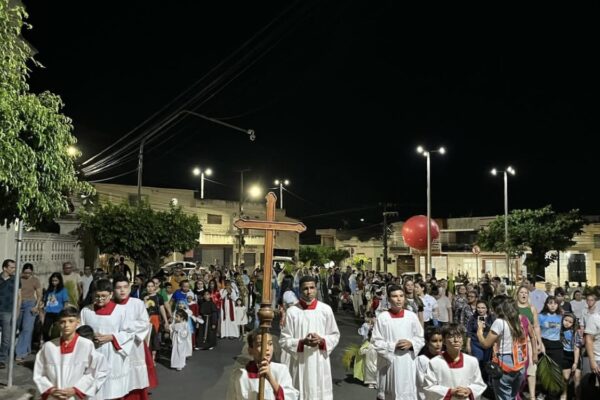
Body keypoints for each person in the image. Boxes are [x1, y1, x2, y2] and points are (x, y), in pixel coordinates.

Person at [280, 275, 340, 400]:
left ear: (316, 289)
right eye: (305, 289)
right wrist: (302, 342)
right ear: (300, 290)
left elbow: (334, 335)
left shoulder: (325, 310)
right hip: (300, 362)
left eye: (312, 288)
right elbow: (284, 340)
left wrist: (322, 340)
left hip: (319, 361)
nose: (309, 292)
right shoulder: (292, 312)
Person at [33, 306, 107, 399]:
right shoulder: (49, 346)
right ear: (58, 324)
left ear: (78, 322)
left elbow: (95, 371)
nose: (66, 325)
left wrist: (76, 389)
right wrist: (51, 389)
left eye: (71, 321)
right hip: (54, 396)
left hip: (74, 396)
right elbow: (39, 373)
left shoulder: (86, 345)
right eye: (62, 322)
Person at [80, 279, 134, 400]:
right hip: (93, 354)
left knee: (112, 392)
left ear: (111, 294)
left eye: (104, 296)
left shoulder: (121, 311)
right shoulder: (86, 311)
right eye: (97, 296)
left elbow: (129, 332)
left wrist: (112, 337)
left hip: (114, 355)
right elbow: (80, 332)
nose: (100, 299)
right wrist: (90, 337)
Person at [371, 284, 424, 400]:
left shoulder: (411, 316)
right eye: (395, 296)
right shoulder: (383, 317)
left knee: (408, 392)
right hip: (390, 363)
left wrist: (411, 344)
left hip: (408, 361)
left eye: (401, 296)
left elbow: (420, 337)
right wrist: (392, 346)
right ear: (389, 299)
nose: (399, 299)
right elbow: (375, 341)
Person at [477, 297, 531, 400]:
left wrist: (479, 331)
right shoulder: (519, 320)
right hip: (519, 361)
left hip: (505, 361)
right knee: (512, 395)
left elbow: (485, 344)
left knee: (503, 396)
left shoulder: (499, 322)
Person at [113, 275, 154, 400]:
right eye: (119, 287)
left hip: (134, 347)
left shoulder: (137, 303)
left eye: (125, 287)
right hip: (116, 346)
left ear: (129, 288)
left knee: (134, 381)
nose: (122, 290)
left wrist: (125, 328)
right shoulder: (111, 305)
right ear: (113, 289)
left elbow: (144, 323)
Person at [227, 330, 298, 400]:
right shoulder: (240, 375)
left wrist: (270, 378)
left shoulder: (281, 370)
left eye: (270, 344)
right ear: (250, 350)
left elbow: (290, 397)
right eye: (260, 345)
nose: (267, 348)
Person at [424, 323, 486, 399]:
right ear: (444, 341)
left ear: (463, 341)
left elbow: (479, 384)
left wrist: (468, 390)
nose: (456, 340)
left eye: (459, 337)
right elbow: (428, 387)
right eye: (451, 337)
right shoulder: (435, 363)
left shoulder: (472, 361)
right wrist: (450, 392)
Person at [538, 296, 564, 400]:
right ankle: (543, 391)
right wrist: (539, 344)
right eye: (550, 303)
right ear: (546, 304)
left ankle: (553, 394)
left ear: (558, 305)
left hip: (557, 346)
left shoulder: (561, 316)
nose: (552, 305)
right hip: (544, 345)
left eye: (555, 303)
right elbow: (537, 331)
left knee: (556, 370)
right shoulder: (541, 316)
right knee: (544, 371)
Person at [15, 262, 42, 362]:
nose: (27, 275)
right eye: (25, 272)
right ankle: (27, 349)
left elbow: (39, 295)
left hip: (30, 304)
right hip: (18, 304)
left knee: (27, 328)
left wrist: (36, 306)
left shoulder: (35, 280)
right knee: (19, 327)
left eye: (29, 273)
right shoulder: (18, 279)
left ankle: (20, 353)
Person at [0, 259, 19, 369]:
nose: (14, 269)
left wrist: (16, 311)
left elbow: (19, 296)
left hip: (8, 311)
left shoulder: (16, 280)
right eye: (11, 267)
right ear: (5, 268)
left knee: (6, 337)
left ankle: (2, 359)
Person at [416, 326, 443, 400]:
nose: (438, 344)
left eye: (440, 340)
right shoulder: (421, 360)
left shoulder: (445, 357)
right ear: (427, 343)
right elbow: (421, 382)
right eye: (434, 341)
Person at [42, 272, 70, 342]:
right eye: (52, 281)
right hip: (49, 313)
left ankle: (55, 344)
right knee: (45, 330)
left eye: (56, 281)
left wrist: (64, 313)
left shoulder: (63, 290)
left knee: (56, 332)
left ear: (59, 281)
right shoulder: (49, 290)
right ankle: (47, 343)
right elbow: (45, 301)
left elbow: (66, 302)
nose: (54, 282)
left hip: (58, 313)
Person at [561, 313, 582, 400]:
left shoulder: (575, 332)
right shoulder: (560, 331)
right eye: (566, 320)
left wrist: (575, 362)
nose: (567, 323)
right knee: (565, 378)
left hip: (574, 356)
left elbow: (576, 348)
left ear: (573, 324)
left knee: (577, 378)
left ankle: (578, 396)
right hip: (564, 355)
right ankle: (564, 394)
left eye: (570, 322)